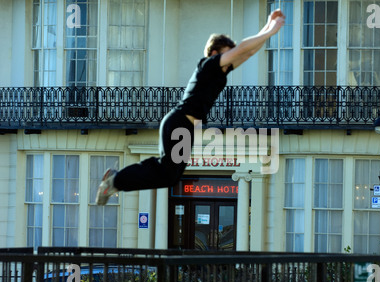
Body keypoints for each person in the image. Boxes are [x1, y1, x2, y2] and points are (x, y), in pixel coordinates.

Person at [96, 9, 285, 205]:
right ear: (214, 53)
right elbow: (243, 48)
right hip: (178, 121)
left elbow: (247, 52)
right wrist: (270, 31)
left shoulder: (219, 72)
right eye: (228, 53)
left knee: (170, 176)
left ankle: (116, 180)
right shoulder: (208, 65)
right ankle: (115, 180)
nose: (233, 57)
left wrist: (269, 26)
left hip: (185, 127)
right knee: (166, 170)